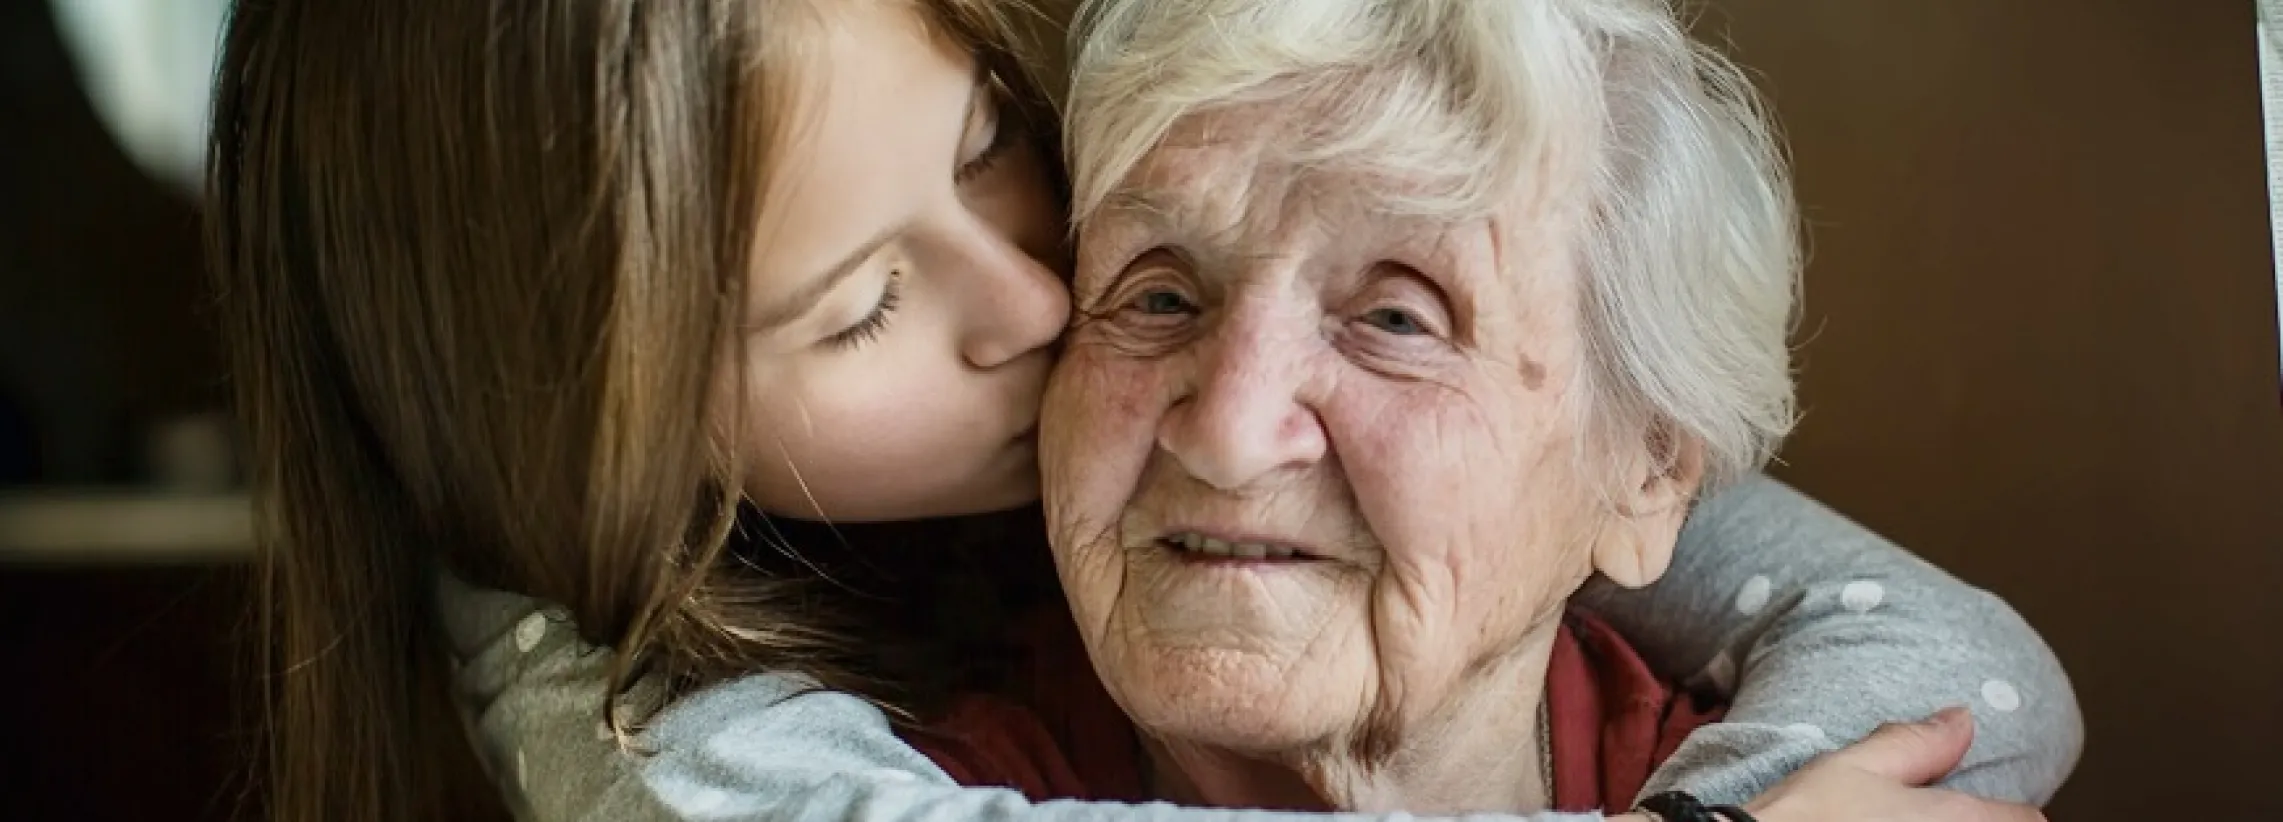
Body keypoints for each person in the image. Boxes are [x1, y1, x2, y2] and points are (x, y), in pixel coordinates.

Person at [205, 1, 2077, 821]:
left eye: (999, 152)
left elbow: (1958, 671)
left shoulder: (1759, 679)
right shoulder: (677, 735)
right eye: (1155, 290)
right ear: (615, 453)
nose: (1214, 413)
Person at [915, 0, 2053, 817]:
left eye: (1399, 320)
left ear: (1647, 473)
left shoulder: (1839, 798)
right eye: (1160, 294)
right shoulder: (879, 785)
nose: (1226, 430)